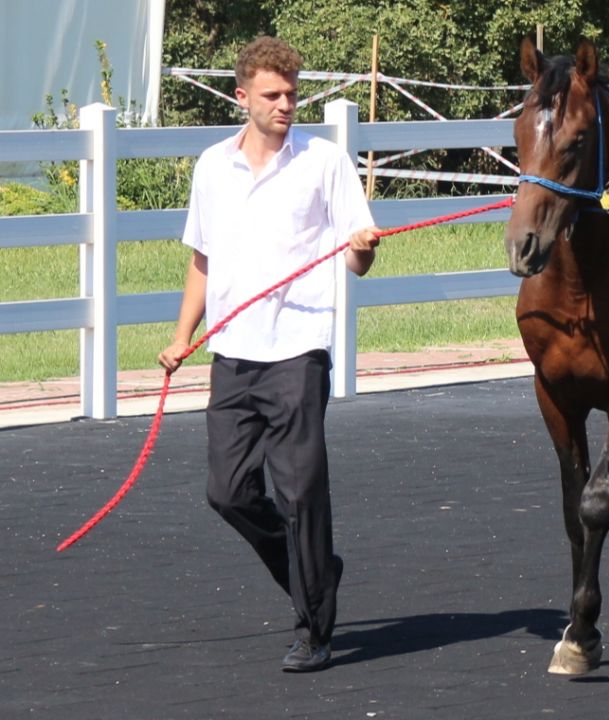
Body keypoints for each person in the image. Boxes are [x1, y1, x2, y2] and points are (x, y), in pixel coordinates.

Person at [158, 36, 380, 673]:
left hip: (297, 351)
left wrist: (362, 245)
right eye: (273, 94)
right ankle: (315, 572)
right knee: (226, 492)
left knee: (301, 491)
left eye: (292, 93)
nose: (286, 104)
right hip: (231, 354)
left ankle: (314, 627)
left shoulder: (325, 162)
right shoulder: (210, 167)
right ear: (242, 98)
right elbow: (202, 259)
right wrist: (182, 337)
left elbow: (357, 259)